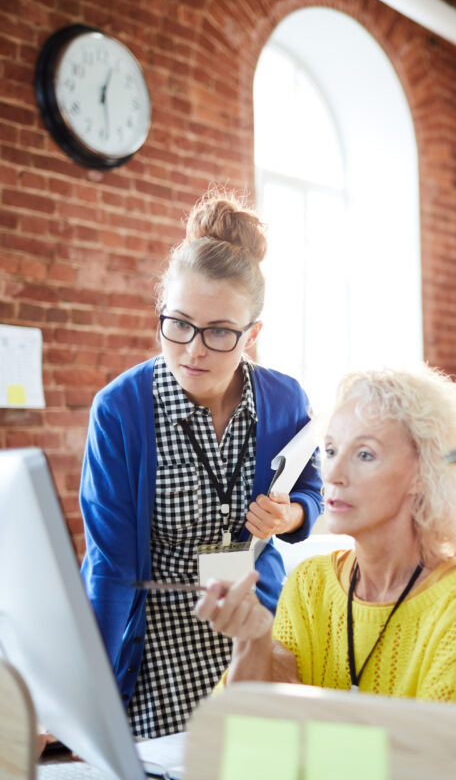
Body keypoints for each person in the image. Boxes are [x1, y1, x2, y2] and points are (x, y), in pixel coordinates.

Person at [79, 191, 323, 738]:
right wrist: (87, 685)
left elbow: (311, 486)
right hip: (157, 639)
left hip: (256, 625)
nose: (193, 350)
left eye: (219, 332)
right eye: (179, 324)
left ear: (252, 334)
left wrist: (291, 517)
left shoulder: (284, 399)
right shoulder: (121, 409)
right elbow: (110, 564)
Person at [195, 365, 456, 706]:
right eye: (330, 451)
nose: (335, 474)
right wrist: (253, 643)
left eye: (364, 455)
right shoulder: (310, 582)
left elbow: (436, 751)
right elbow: (240, 731)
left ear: (424, 471)